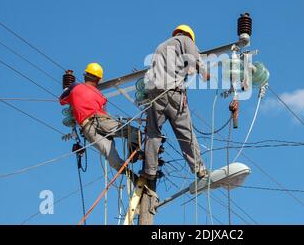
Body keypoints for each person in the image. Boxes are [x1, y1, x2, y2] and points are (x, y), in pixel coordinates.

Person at [142, 24, 211, 181]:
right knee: (185, 133)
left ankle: (150, 170)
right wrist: (205, 73)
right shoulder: (185, 40)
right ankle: (199, 169)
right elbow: (195, 59)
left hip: (155, 94)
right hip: (173, 93)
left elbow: (150, 74)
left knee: (153, 132)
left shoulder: (160, 46)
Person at [59, 63, 136, 171]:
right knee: (133, 132)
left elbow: (62, 100)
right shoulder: (101, 96)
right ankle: (135, 151)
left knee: (111, 156)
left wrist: (68, 84)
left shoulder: (75, 87)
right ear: (99, 79)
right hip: (101, 121)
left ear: (85, 75)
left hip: (87, 128)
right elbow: (104, 113)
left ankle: (130, 174)